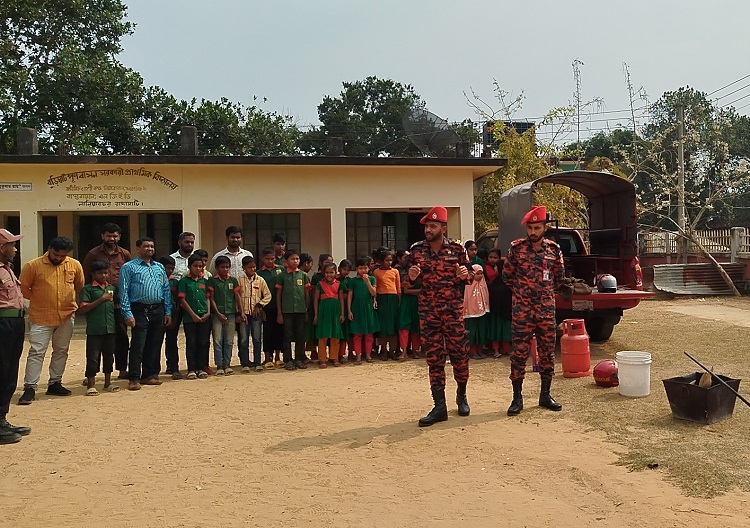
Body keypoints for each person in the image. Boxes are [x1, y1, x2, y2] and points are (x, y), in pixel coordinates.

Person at [408, 206, 473, 427]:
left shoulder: (457, 249)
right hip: (429, 313)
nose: (428, 229)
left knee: (459, 356)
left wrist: (466, 274)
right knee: (434, 359)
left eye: (433, 225)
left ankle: (462, 396)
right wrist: (412, 277)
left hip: (453, 312)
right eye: (427, 225)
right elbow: (408, 283)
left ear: (443, 228)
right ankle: (439, 406)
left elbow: (469, 276)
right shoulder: (416, 251)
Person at [502, 205, 565, 416]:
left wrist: (542, 296)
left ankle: (545, 395)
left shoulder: (554, 250)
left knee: (547, 352)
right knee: (519, 354)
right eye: (530, 228)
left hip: (546, 311)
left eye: (537, 227)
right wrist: (524, 295)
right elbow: (507, 277)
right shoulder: (516, 249)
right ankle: (517, 398)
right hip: (522, 311)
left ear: (544, 227)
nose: (533, 232)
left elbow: (559, 279)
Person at [18, 236, 84, 404]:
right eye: (56, 254)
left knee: (61, 351)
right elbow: (24, 288)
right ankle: (30, 387)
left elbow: (79, 285)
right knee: (37, 352)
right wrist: (41, 300)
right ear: (49, 249)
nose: (59, 258)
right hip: (41, 316)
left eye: (62, 256)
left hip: (66, 315)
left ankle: (55, 382)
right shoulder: (33, 265)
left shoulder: (74, 265)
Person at [119, 237, 172, 391]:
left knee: (155, 343)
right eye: (146, 246)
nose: (149, 249)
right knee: (138, 344)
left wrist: (167, 311)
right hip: (139, 310)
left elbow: (166, 289)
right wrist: (127, 313)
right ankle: (134, 377)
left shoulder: (159, 267)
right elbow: (124, 292)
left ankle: (150, 375)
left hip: (158, 309)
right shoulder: (129, 267)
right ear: (138, 248)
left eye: (152, 246)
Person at [82, 223, 131, 380]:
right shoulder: (93, 254)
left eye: (115, 235)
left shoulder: (124, 254)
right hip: (98, 303)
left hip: (119, 302)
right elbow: (85, 276)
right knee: (96, 340)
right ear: (102, 236)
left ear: (119, 237)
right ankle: (92, 374)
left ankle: (122, 369)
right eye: (109, 235)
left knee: (122, 337)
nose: (112, 238)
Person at [0, 229, 31, 443]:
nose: (15, 248)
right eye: (12, 244)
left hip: (15, 323)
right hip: (2, 323)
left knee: (9, 372)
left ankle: (2, 419)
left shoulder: (8, 269)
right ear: (2, 248)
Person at [79, 260, 119, 396]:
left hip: (110, 328)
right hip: (95, 329)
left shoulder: (112, 289)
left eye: (105, 273)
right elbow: (84, 308)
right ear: (93, 274)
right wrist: (101, 299)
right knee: (93, 357)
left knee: (109, 356)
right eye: (100, 273)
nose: (103, 275)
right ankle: (91, 384)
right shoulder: (88, 289)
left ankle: (107, 383)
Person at [209, 255, 244, 375]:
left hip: (231, 314)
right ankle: (219, 365)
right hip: (217, 314)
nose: (225, 269)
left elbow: (237, 297)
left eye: (227, 267)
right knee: (218, 340)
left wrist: (241, 311)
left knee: (229, 340)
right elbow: (211, 299)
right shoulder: (212, 281)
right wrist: (217, 313)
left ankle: (227, 364)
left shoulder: (233, 280)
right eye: (222, 267)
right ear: (217, 268)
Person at [276, 249, 310, 371]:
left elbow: (306, 294)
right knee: (287, 336)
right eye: (292, 259)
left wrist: (306, 310)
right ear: (286, 262)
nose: (295, 261)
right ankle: (288, 360)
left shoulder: (303, 276)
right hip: (287, 311)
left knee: (300, 335)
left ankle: (299, 359)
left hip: (300, 310)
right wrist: (279, 313)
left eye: (297, 259)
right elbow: (278, 295)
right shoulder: (282, 276)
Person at [179, 255, 211, 380]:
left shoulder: (205, 281)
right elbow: (182, 299)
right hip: (190, 318)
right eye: (195, 266)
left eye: (200, 266)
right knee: (191, 342)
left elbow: (208, 297)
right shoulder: (184, 281)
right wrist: (193, 315)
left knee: (203, 342)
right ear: (189, 266)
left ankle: (201, 368)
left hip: (204, 316)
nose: (198, 269)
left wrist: (208, 312)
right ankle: (191, 369)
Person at [238, 256, 271, 372]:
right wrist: (239, 312)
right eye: (249, 267)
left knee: (257, 339)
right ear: (243, 268)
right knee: (243, 339)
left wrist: (260, 305)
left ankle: (257, 362)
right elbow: (235, 297)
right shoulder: (239, 280)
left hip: (256, 314)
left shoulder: (260, 280)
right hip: (244, 314)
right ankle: (245, 363)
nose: (252, 269)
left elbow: (268, 295)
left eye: (254, 267)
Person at [347, 257, 379, 364]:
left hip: (368, 308)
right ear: (356, 269)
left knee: (369, 334)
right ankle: (358, 356)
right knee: (357, 334)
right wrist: (349, 311)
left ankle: (368, 354)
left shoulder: (372, 279)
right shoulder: (353, 281)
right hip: (356, 309)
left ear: (369, 268)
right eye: (360, 268)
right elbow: (350, 296)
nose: (363, 270)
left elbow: (374, 293)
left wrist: (367, 282)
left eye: (365, 268)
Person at [313, 262, 345, 368]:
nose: (329, 275)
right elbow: (316, 300)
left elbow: (341, 299)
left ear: (336, 273)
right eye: (326, 272)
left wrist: (342, 314)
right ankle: (322, 358)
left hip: (335, 312)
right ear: (323, 273)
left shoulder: (339, 284)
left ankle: (334, 357)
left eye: (331, 272)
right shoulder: (319, 284)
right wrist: (316, 315)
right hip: (323, 312)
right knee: (323, 335)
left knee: (335, 334)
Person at [258, 248, 284, 369]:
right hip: (266, 307)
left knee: (279, 332)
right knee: (267, 333)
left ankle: (278, 357)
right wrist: (261, 309)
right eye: (267, 259)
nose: (270, 261)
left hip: (279, 306)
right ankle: (268, 357)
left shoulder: (281, 270)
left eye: (272, 259)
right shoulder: (259, 273)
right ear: (262, 259)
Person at [373, 249, 401, 360]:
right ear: (380, 261)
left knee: (393, 326)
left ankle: (392, 351)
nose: (389, 262)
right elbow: (375, 287)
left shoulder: (395, 271)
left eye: (390, 260)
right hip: (382, 298)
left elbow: (398, 287)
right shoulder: (376, 272)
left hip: (393, 298)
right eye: (386, 260)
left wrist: (399, 301)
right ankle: (383, 350)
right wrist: (375, 300)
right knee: (383, 326)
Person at [159, 255, 183, 379]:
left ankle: (173, 367)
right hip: (157, 314)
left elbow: (179, 302)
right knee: (156, 342)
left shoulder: (175, 282)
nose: (169, 271)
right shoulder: (156, 280)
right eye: (167, 268)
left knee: (172, 342)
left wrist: (176, 317)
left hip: (173, 315)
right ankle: (153, 369)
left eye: (172, 268)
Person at [485, 248, 512, 358]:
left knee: (495, 330)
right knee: (505, 330)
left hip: (495, 313)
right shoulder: (508, 283)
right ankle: (506, 350)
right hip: (505, 313)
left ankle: (496, 350)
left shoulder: (494, 284)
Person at [464, 264, 490, 360]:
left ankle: (480, 350)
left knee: (481, 332)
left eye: (481, 273)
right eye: (477, 273)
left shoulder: (483, 284)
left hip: (482, 312)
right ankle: (472, 351)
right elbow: (467, 298)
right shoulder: (468, 284)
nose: (480, 276)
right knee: (472, 333)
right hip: (471, 313)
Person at [398, 258, 421, 360]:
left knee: (416, 327)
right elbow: (406, 291)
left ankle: (415, 351)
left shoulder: (423, 276)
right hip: (407, 302)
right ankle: (404, 351)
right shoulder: (405, 276)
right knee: (404, 326)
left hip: (418, 303)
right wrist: (421, 291)